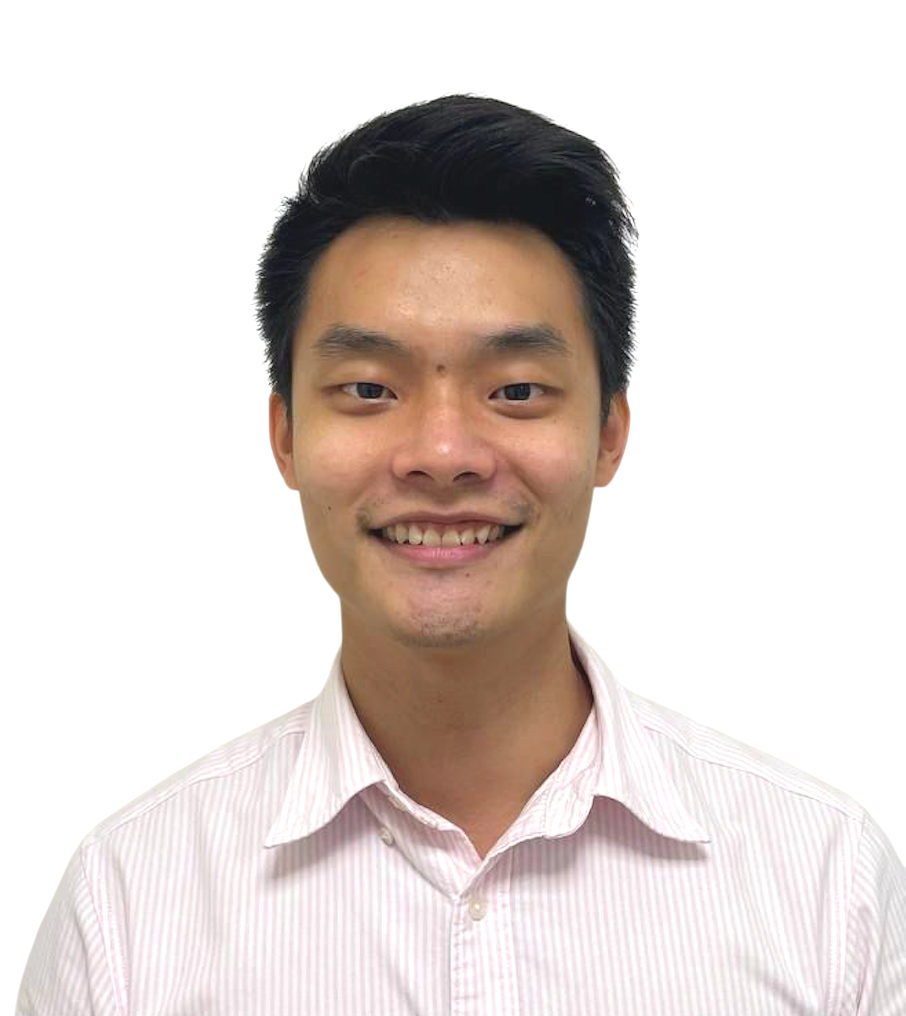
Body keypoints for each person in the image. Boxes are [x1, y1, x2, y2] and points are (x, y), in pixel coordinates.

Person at [17, 93, 905, 1014]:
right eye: (368, 388)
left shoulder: (824, 887)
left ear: (609, 433)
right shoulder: (127, 908)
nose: (442, 455)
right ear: (284, 435)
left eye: (516, 389)